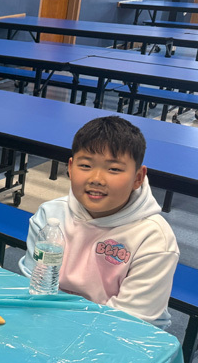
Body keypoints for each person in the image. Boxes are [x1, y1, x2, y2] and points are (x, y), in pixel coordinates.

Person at [19, 116, 178, 328]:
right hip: (52, 320)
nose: (96, 178)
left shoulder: (154, 239)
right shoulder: (50, 216)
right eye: (85, 165)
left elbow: (129, 321)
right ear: (70, 167)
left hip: (122, 334)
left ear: (138, 178)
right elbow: (34, 282)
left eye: (114, 169)